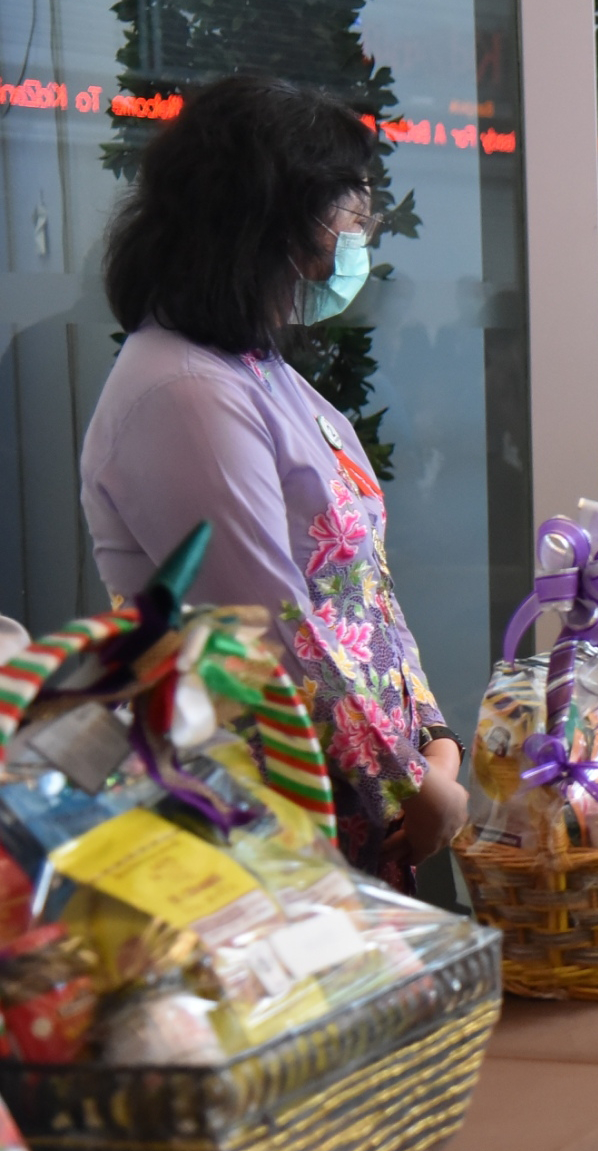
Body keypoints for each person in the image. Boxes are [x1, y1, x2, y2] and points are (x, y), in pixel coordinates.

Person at [77, 76, 465, 889]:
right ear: (268, 222)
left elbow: (365, 591)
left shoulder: (254, 366)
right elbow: (269, 630)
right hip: (263, 816)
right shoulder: (183, 389)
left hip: (351, 795)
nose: (359, 241)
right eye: (349, 219)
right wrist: (409, 785)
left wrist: (434, 739)